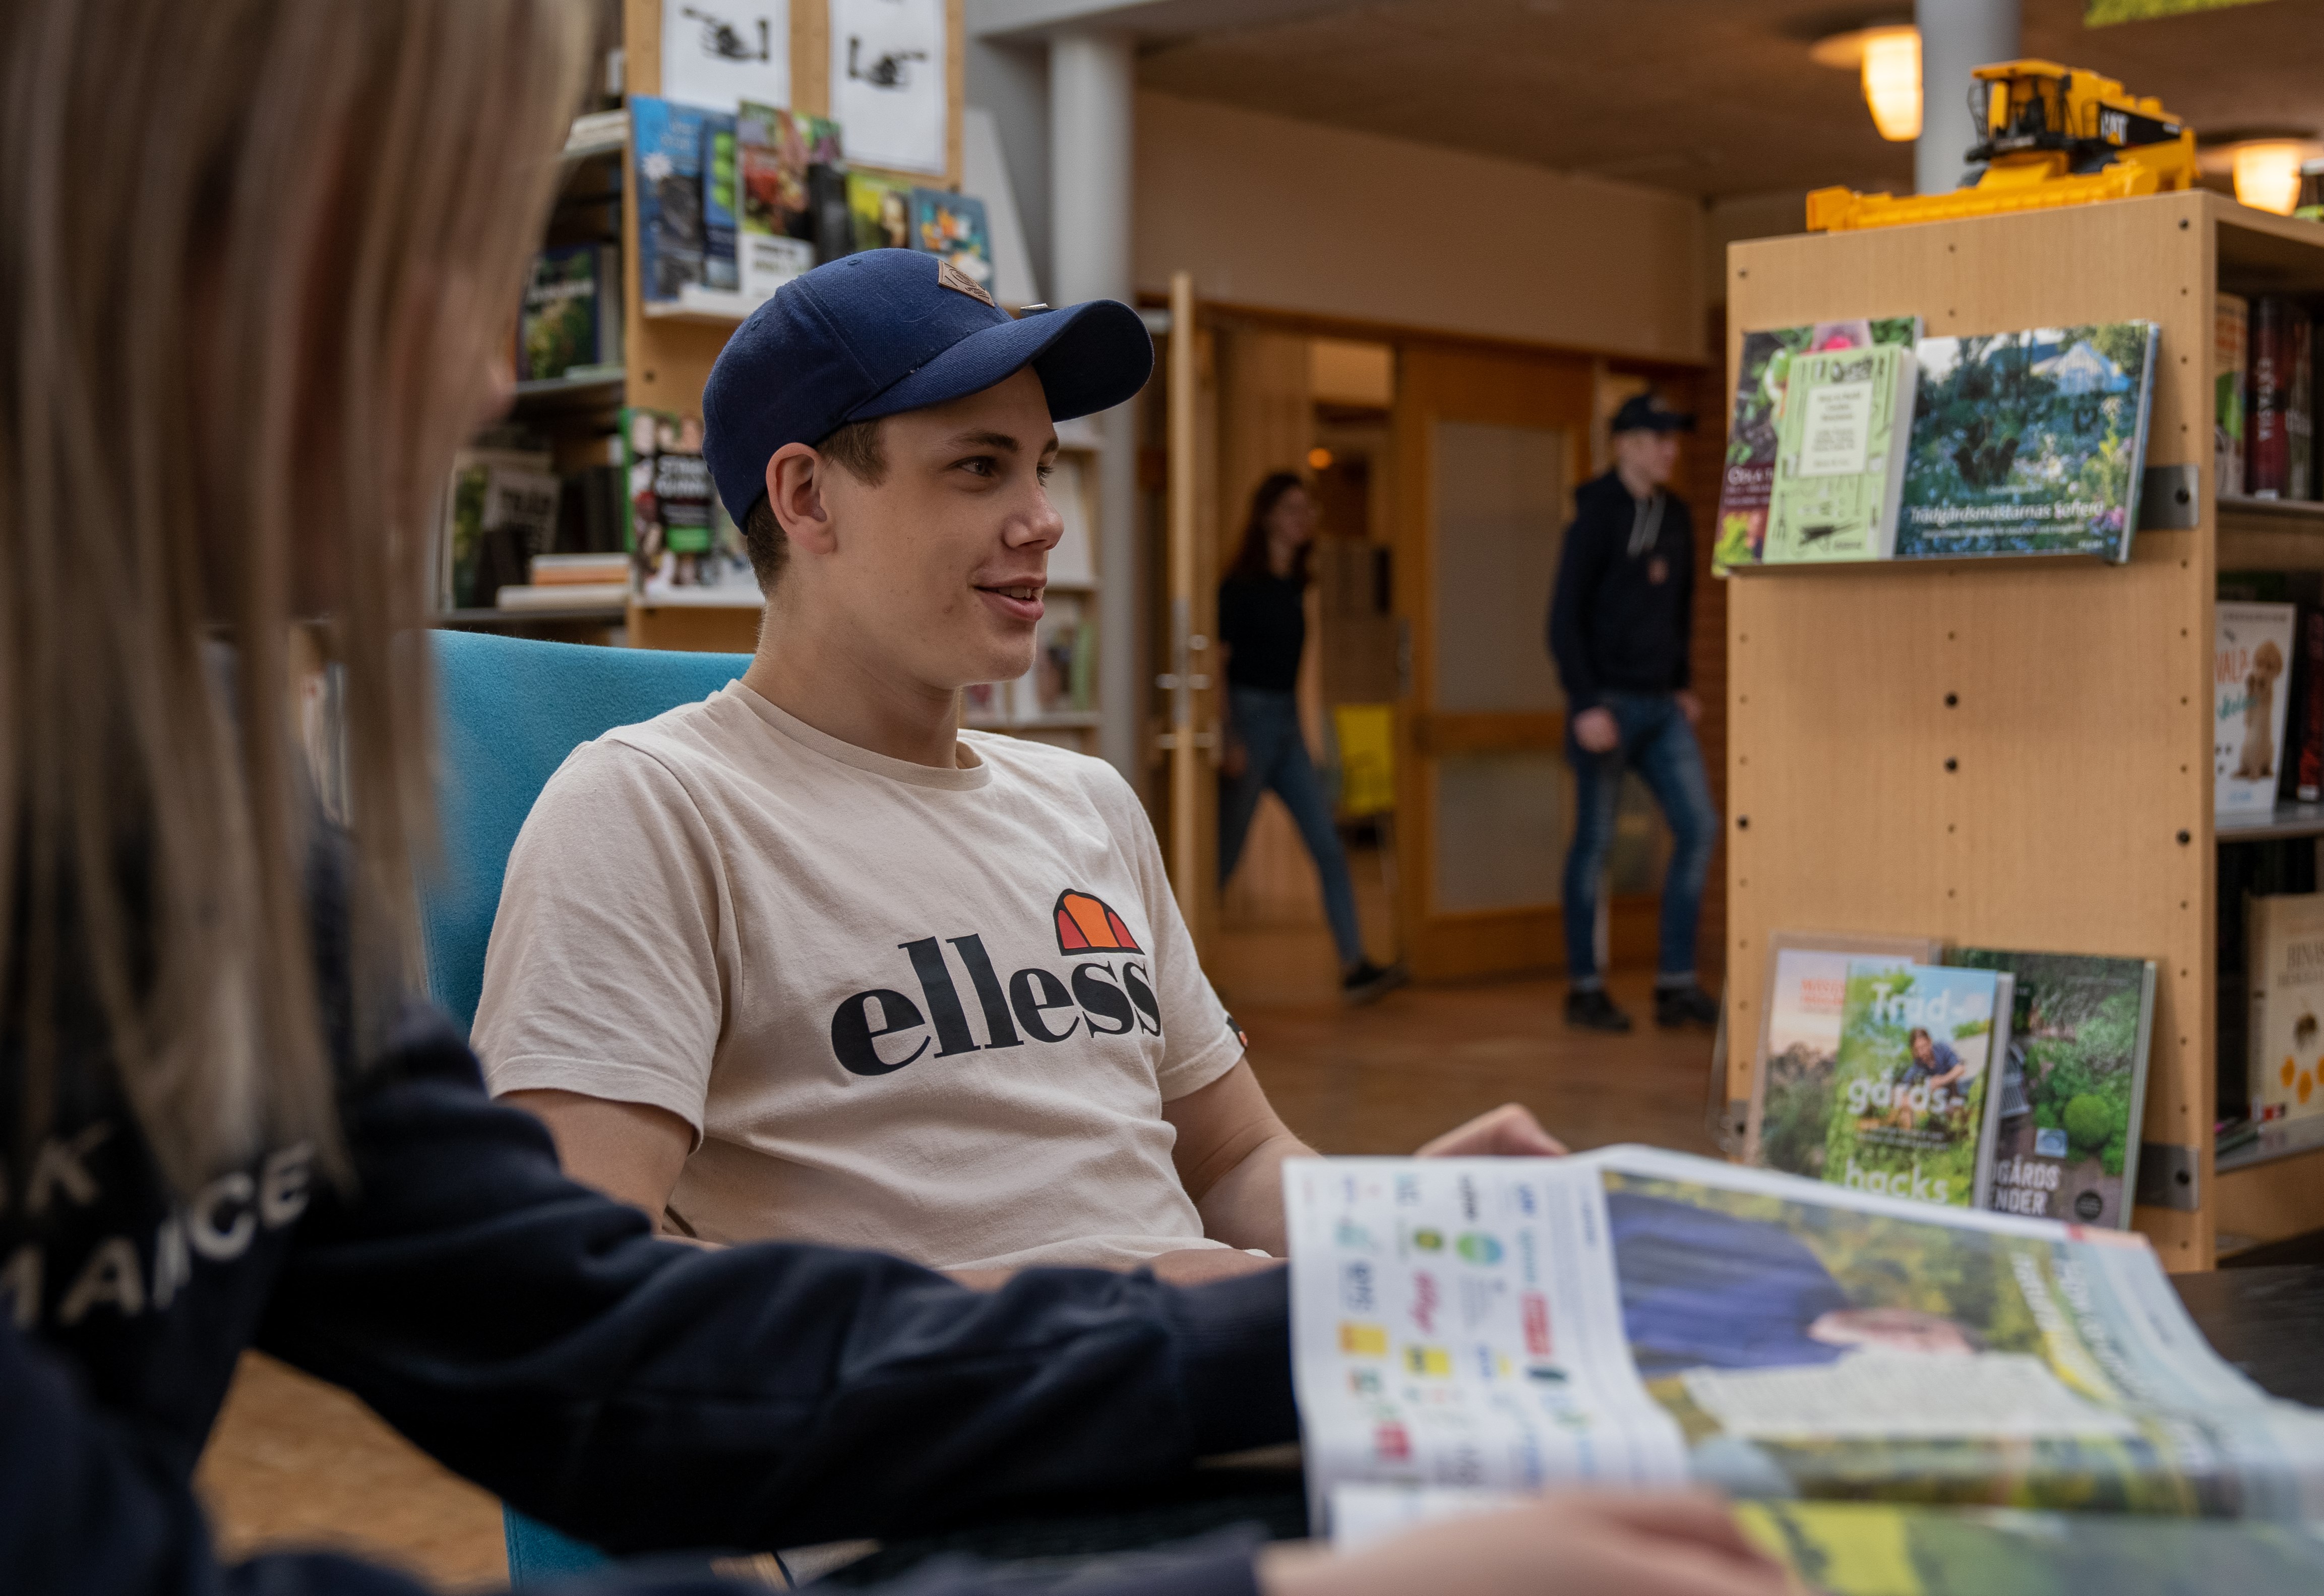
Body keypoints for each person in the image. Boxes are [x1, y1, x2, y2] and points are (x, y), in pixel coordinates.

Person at [0, 4, 1794, 1594]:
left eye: (1043, 467)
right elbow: (599, 1338)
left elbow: (587, 1337)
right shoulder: (650, 807)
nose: (484, 373)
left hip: (1087, 1397)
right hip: (977, 1492)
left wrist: (1377, 1277)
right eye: (415, 252)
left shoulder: (202, 835)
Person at [470, 254, 1555, 1283]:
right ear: (805, 498)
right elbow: (578, 1281)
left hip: (1213, 1389)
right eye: (978, 467)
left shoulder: (1086, 802)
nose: (1042, 522)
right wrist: (1070, 1308)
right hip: (970, 1441)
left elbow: (1231, 1161)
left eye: (1037, 467)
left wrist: (1411, 1225)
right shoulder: (653, 808)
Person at [1547, 392, 1720, 1034]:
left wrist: (1681, 683)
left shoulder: (1676, 515)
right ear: (1622, 443)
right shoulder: (1594, 516)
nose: (1668, 448)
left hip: (1661, 705)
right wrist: (1585, 702)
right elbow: (1562, 621)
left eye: (1673, 437)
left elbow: (1677, 609)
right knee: (1594, 844)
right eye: (1653, 437)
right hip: (1606, 705)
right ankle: (1584, 987)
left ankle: (1675, 983)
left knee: (1698, 827)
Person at [1216, 474, 1408, 1006]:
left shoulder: (1295, 584)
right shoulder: (1239, 586)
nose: (1305, 518)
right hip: (1249, 720)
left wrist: (1304, 734)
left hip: (1285, 725)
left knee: (1327, 844)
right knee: (1222, 857)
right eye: (1293, 509)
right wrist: (1228, 737)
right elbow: (1217, 666)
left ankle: (1355, 966)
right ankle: (1179, 976)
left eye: (1309, 509)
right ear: (1268, 517)